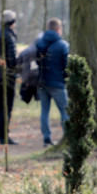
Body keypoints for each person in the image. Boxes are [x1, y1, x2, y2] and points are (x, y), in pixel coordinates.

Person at [35, 18, 69, 147]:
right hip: (57, 83)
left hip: (42, 83)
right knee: (65, 110)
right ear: (58, 29)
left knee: (44, 111)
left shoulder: (39, 43)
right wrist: (66, 77)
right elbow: (66, 65)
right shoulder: (62, 45)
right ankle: (68, 136)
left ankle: (46, 138)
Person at [0, 10, 19, 145]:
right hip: (8, 75)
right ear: (11, 22)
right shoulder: (9, 36)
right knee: (7, 105)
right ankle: (3, 135)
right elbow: (12, 59)